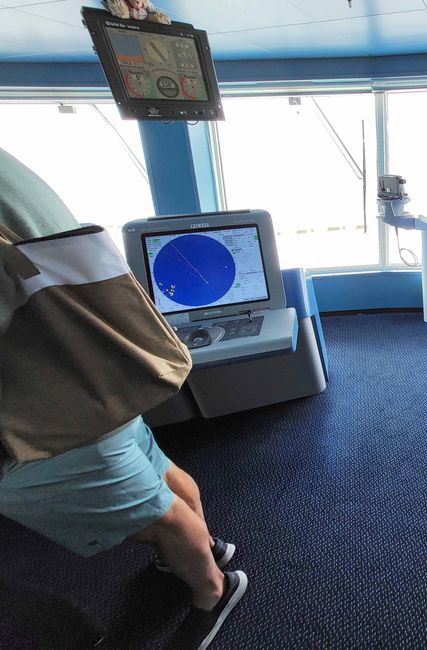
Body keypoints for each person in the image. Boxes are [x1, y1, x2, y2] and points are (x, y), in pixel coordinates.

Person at [0, 147, 246, 649]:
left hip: (39, 411)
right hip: (89, 365)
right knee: (148, 461)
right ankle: (208, 550)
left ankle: (212, 590)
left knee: (155, 515)